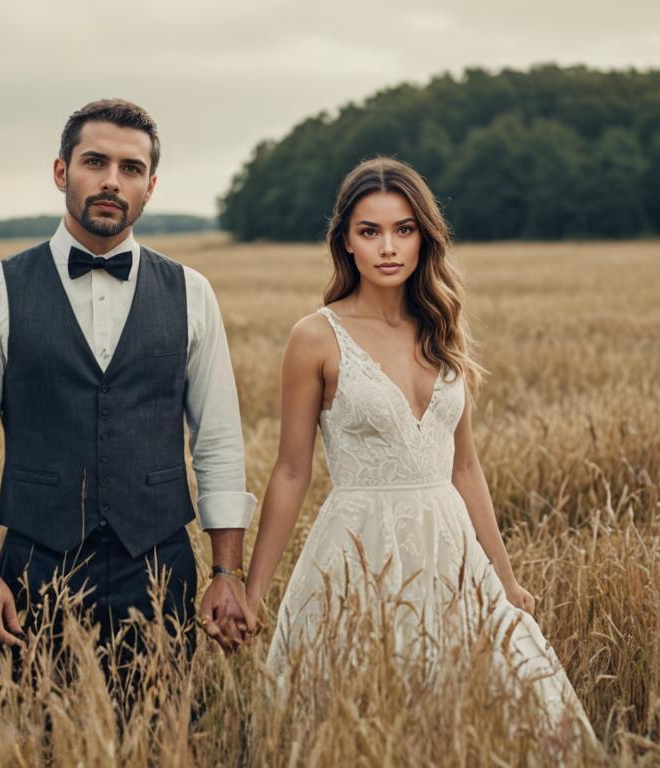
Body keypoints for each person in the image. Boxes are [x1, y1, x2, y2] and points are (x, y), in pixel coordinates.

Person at [243, 157, 593, 736]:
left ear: (423, 238)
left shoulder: (443, 328)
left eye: (404, 229)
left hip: (451, 552)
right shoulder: (315, 336)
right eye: (370, 231)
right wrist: (254, 591)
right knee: (360, 719)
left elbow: (466, 468)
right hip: (357, 551)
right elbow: (289, 472)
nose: (388, 247)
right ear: (346, 243)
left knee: (495, 714)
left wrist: (504, 579)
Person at [0, 98, 257, 703]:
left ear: (150, 186)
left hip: (160, 570)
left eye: (131, 168)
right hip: (34, 570)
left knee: (164, 740)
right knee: (31, 740)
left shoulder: (193, 293)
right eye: (96, 162)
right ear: (62, 172)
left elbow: (217, 441)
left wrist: (224, 572)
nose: (113, 181)